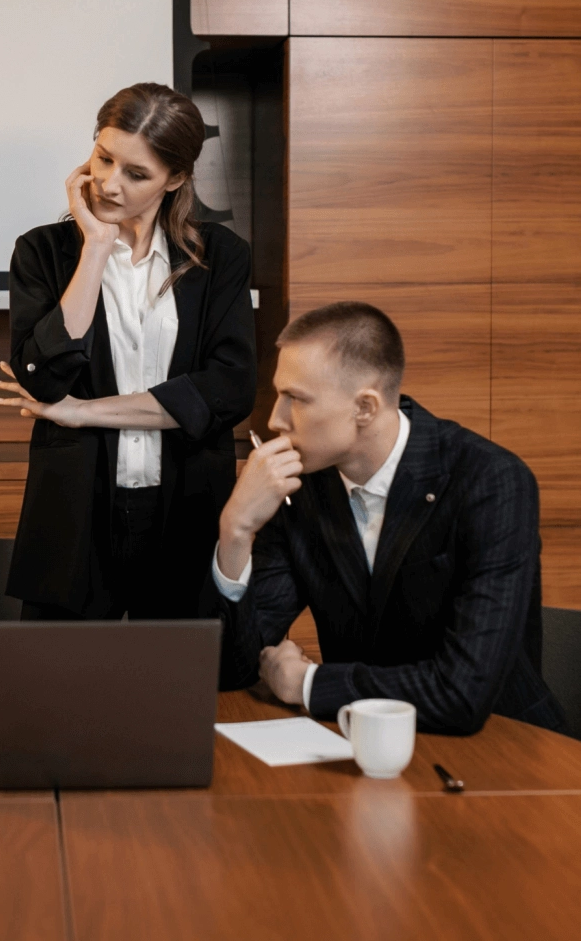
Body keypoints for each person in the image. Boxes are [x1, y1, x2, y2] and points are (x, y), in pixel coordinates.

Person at [208, 301, 565, 735]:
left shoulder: (492, 481)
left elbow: (461, 693)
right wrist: (236, 531)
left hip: (508, 750)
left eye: (296, 399)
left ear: (365, 408)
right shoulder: (301, 486)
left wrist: (309, 683)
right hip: (359, 748)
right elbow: (238, 670)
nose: (275, 420)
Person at [0, 82, 255, 620]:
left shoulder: (221, 256)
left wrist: (84, 412)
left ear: (176, 178)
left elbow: (228, 390)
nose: (109, 184)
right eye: (104, 158)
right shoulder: (41, 252)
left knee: (182, 690)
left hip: (186, 510)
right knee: (61, 691)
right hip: (75, 516)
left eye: (137, 174)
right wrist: (95, 248)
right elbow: (43, 380)